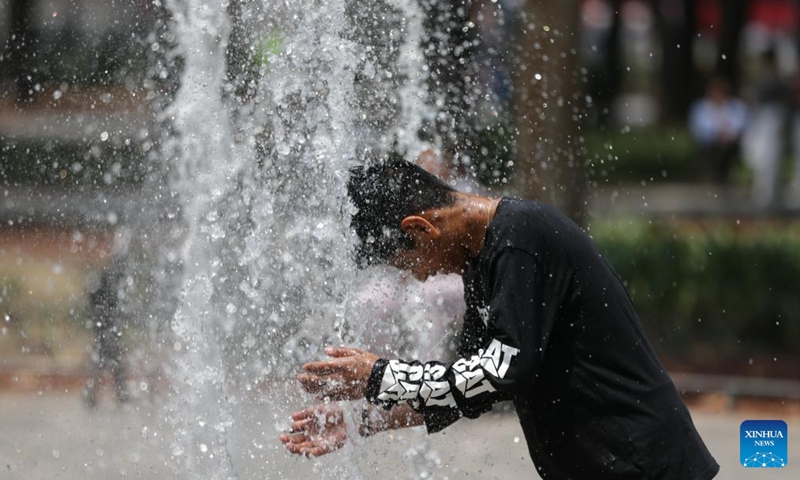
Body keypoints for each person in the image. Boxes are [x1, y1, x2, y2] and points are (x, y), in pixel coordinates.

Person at [280, 157, 719, 479]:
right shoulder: (482, 264)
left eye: (408, 264)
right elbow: (471, 388)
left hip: (644, 465)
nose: (419, 277)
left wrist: (380, 374)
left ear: (419, 227)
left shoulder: (520, 239)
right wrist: (362, 422)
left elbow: (503, 372)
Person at [688, 76, 747, 185]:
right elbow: (699, 129)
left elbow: (742, 125)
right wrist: (716, 135)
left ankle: (728, 176)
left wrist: (730, 135)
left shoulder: (735, 106)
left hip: (731, 143)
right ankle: (713, 176)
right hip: (710, 144)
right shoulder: (702, 107)